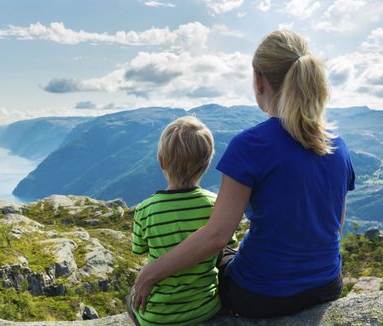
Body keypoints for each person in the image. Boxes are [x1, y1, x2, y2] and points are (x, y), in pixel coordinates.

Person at [131, 30, 356, 319]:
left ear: (259, 80)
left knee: (218, 260)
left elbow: (216, 237)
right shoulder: (337, 144)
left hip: (262, 295)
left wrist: (150, 273)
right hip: (326, 284)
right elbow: (334, 228)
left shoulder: (250, 145)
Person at [127, 116, 235, 325]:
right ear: (206, 164)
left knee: (128, 301)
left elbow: (139, 249)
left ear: (161, 162)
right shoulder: (216, 206)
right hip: (205, 309)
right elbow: (225, 246)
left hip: (158, 318)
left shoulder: (145, 209)